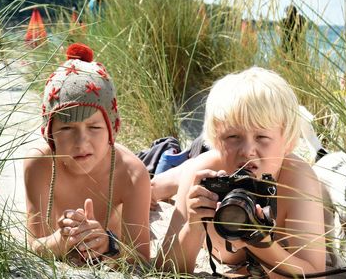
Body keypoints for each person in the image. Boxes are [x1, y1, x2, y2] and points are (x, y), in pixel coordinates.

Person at [156, 67, 326, 277]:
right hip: (204, 161)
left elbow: (315, 274)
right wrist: (193, 227)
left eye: (262, 137)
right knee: (157, 185)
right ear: (217, 140)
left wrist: (258, 240)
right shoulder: (202, 173)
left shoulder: (298, 180)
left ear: (288, 141)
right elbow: (165, 270)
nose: (247, 151)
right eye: (233, 137)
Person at [24, 43, 150, 265]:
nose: (81, 142)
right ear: (49, 133)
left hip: (115, 236)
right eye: (66, 128)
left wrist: (109, 245)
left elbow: (140, 258)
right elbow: (35, 246)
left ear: (112, 129)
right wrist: (62, 239)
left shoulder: (132, 173)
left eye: (94, 128)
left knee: (154, 189)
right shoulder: (38, 165)